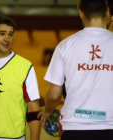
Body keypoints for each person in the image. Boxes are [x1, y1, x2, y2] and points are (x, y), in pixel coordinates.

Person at [38, 0, 113, 139]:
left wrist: (48, 110)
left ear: (81, 13)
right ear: (107, 12)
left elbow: (54, 95)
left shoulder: (65, 46)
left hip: (75, 129)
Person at [0, 15, 41, 140]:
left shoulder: (25, 67)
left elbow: (33, 108)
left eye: (10, 34)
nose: (7, 38)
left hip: (12, 137)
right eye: (2, 34)